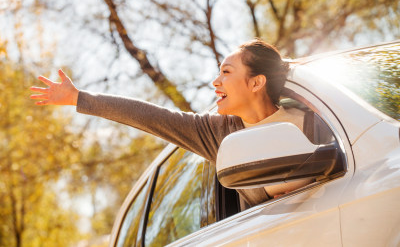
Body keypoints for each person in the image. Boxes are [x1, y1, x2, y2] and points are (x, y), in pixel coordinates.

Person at [30, 39, 307, 209]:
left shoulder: (311, 120)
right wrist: (79, 97)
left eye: (226, 72)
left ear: (257, 82)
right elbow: (150, 116)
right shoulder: (218, 134)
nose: (215, 81)